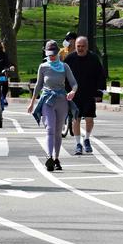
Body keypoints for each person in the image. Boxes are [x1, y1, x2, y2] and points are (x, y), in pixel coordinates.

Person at [27, 40, 77, 171]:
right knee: (50, 128)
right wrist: (32, 103)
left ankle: (56, 158)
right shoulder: (43, 67)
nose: (52, 56)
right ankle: (49, 156)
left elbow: (74, 83)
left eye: (54, 53)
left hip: (61, 100)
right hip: (48, 100)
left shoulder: (64, 66)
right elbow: (38, 85)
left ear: (58, 52)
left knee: (58, 131)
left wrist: (73, 91)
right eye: (49, 54)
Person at [65, 36, 106, 155]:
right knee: (75, 119)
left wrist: (99, 92)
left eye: (83, 46)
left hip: (89, 93)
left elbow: (101, 75)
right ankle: (78, 143)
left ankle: (87, 139)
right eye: (78, 46)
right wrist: (66, 91)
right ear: (75, 46)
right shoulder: (70, 58)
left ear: (87, 46)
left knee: (89, 118)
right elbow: (64, 76)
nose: (80, 48)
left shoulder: (93, 58)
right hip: (74, 95)